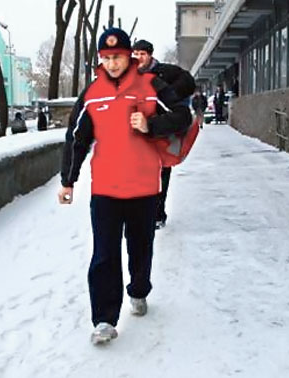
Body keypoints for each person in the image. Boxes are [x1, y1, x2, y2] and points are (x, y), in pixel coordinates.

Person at [58, 28, 191, 345]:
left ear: (129, 56)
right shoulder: (93, 93)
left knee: (140, 247)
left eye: (117, 57)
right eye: (106, 58)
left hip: (144, 188)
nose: (112, 63)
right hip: (105, 189)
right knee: (104, 253)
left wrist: (151, 125)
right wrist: (68, 180)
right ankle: (104, 319)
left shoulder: (150, 86)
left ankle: (139, 290)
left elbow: (182, 116)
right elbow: (76, 138)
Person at [132, 39, 196, 229]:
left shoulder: (165, 71)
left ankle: (158, 214)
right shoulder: (129, 75)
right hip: (138, 134)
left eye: (142, 54)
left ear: (150, 55)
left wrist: (169, 93)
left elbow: (188, 82)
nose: (139, 58)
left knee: (161, 174)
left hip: (162, 132)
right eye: (136, 54)